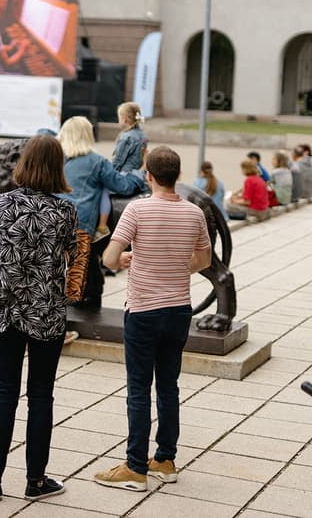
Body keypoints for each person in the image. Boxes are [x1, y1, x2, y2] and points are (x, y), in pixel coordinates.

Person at [95, 146, 211, 492]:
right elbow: (203, 260)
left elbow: (111, 259)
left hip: (144, 311)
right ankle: (165, 460)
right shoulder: (194, 214)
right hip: (178, 312)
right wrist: (177, 265)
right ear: (176, 175)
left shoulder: (137, 210)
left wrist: (132, 257)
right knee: (168, 386)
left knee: (138, 390)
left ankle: (134, 466)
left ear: (148, 175)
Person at [0, 134, 76, 503]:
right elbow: (70, 255)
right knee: (42, 397)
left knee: (4, 395)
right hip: (46, 312)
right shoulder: (65, 211)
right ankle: (36, 480)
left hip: (4, 311)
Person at [58, 116, 144, 303]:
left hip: (52, 219)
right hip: (80, 222)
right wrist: (138, 174)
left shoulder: (56, 159)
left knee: (65, 269)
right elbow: (122, 186)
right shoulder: (96, 161)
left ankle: (86, 298)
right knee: (77, 272)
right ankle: (74, 312)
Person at [96, 102, 148, 235]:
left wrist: (105, 172)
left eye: (119, 117)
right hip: (138, 176)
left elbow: (117, 163)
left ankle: (102, 226)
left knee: (103, 190)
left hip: (127, 177)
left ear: (125, 119)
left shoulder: (126, 137)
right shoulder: (141, 134)